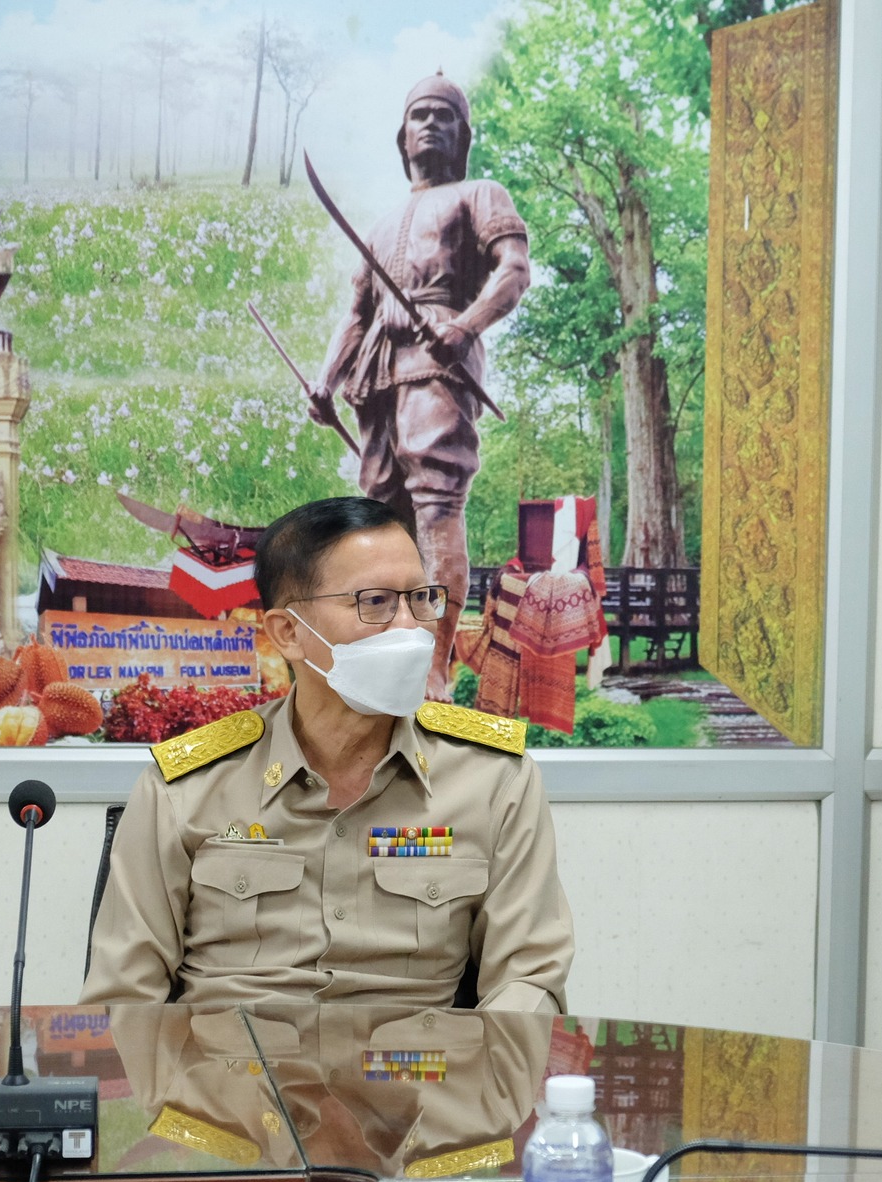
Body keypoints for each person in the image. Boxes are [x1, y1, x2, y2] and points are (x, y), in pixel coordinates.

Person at [84, 496, 572, 1014]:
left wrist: (480, 1087)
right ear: (289, 633)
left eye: (421, 598)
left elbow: (528, 982)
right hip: (232, 1081)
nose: (410, 628)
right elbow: (123, 1000)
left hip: (410, 1077)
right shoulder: (186, 787)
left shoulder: (493, 778)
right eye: (377, 602)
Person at [305, 72, 532, 700]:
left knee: (435, 507)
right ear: (400, 136)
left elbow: (514, 270)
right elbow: (356, 314)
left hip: (440, 365)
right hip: (378, 376)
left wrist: (464, 326)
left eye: (443, 115)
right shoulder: (382, 224)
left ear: (462, 134)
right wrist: (326, 381)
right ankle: (383, 647)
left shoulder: (480, 194)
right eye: (418, 115)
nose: (429, 124)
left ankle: (434, 663)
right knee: (382, 515)